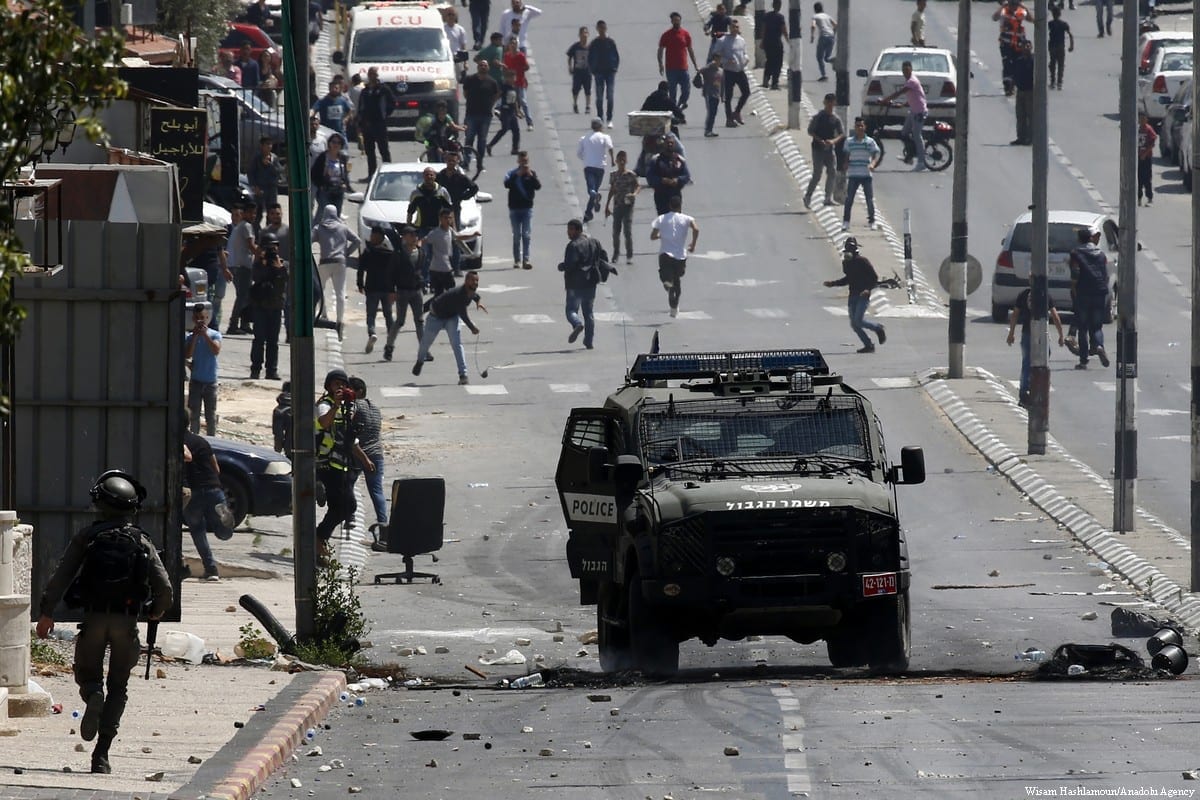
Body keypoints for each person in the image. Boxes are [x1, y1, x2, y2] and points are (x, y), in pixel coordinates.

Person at [35, 469, 172, 775]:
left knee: (88, 675)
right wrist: (156, 611)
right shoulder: (142, 541)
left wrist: (46, 612)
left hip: (94, 619)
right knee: (119, 687)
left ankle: (93, 694)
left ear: (100, 504)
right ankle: (101, 755)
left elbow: (61, 577)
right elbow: (164, 587)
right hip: (126, 623)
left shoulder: (88, 537)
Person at [315, 369, 371, 560]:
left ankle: (319, 541)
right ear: (329, 386)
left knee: (339, 506)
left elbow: (349, 437)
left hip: (342, 464)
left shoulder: (349, 407)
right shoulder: (325, 405)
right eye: (335, 384)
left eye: (342, 384)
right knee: (348, 505)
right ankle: (319, 537)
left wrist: (364, 459)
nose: (339, 387)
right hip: (326, 463)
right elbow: (323, 423)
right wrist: (336, 405)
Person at [412, 270, 487, 385]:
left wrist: (478, 302)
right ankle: (420, 361)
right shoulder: (459, 294)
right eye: (472, 280)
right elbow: (463, 315)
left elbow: (476, 296)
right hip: (436, 316)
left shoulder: (471, 291)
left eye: (477, 280)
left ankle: (463, 375)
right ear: (466, 281)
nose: (475, 283)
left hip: (451, 317)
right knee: (425, 343)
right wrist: (472, 328)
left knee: (457, 344)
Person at [183, 413, 234, 582]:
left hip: (193, 492)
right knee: (224, 534)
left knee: (198, 531)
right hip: (214, 487)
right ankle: (224, 521)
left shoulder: (176, 442)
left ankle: (211, 569)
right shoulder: (202, 442)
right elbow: (216, 469)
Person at [824, 237, 885, 354]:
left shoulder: (863, 261)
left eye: (850, 250)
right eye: (847, 250)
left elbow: (874, 278)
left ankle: (878, 328)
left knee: (859, 321)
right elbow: (848, 279)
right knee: (854, 324)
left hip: (863, 295)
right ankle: (868, 345)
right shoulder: (846, 263)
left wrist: (868, 289)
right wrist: (833, 284)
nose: (848, 253)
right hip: (852, 295)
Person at [1006, 286, 1065, 406]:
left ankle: (1024, 393)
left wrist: (1011, 333)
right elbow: (1055, 316)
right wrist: (1061, 335)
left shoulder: (1023, 294)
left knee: (1026, 362)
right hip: (1042, 333)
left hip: (1027, 332)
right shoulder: (1045, 294)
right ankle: (1036, 386)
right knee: (1045, 358)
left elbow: (1015, 314)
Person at [312, 203, 361, 340]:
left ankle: (323, 314)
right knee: (340, 293)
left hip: (325, 262)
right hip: (340, 262)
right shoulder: (343, 227)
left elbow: (309, 240)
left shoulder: (319, 228)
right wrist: (346, 253)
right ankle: (339, 320)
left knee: (320, 289)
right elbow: (357, 240)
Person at [558, 219, 609, 349]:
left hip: (574, 284)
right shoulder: (594, 242)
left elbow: (570, 265)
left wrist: (562, 266)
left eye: (571, 229)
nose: (568, 232)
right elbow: (603, 258)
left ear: (579, 230)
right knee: (589, 312)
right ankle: (589, 341)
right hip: (590, 282)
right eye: (568, 229)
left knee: (571, 310)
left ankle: (577, 324)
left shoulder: (573, 246)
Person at [384, 225, 430, 363]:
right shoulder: (398, 254)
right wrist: (391, 291)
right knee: (400, 321)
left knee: (419, 321)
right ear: (404, 237)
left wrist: (424, 282)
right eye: (411, 235)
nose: (414, 238)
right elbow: (391, 273)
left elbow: (422, 270)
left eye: (416, 235)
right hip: (402, 291)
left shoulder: (421, 253)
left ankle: (424, 350)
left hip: (416, 291)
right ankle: (389, 346)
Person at [348, 376, 387, 529]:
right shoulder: (375, 408)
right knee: (377, 491)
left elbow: (348, 430)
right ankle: (383, 524)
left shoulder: (355, 406)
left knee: (347, 485)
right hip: (376, 454)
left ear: (359, 391)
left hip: (357, 453)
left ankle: (350, 517)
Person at [1069, 227, 1111, 370]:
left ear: (1079, 239)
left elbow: (1075, 273)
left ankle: (1083, 360)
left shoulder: (1076, 253)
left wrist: (1074, 290)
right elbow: (1105, 275)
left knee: (1083, 327)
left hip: (1084, 292)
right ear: (1091, 238)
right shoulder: (1101, 254)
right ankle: (1099, 346)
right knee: (1097, 326)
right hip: (1100, 292)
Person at [651, 195, 699, 318]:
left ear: (670, 206)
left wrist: (660, 236)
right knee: (677, 280)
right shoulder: (687, 218)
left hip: (665, 254)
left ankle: (668, 284)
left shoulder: (661, 218)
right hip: (680, 256)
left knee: (666, 276)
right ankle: (674, 306)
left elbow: (653, 236)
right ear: (680, 206)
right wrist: (693, 244)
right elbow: (696, 229)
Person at [249, 233, 288, 380]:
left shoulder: (282, 264)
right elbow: (256, 277)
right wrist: (263, 262)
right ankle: (255, 369)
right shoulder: (258, 264)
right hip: (260, 306)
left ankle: (271, 370)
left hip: (275, 307)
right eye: (268, 247)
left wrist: (279, 268)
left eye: (274, 247)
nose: (272, 250)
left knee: (273, 341)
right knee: (259, 339)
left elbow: (284, 281)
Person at [879, 60, 928, 170]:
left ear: (911, 70)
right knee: (904, 133)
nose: (905, 72)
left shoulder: (912, 81)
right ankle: (910, 155)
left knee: (916, 135)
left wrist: (885, 100)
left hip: (919, 112)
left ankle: (922, 162)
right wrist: (903, 104)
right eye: (903, 70)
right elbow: (915, 96)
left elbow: (899, 93)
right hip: (913, 111)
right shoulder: (908, 81)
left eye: (907, 69)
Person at [437, 150, 480, 273]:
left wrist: (462, 197)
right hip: (440, 210)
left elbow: (474, 188)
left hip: (454, 210)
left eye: (453, 161)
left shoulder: (460, 177)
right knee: (440, 238)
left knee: (456, 238)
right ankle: (442, 267)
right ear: (445, 161)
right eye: (449, 160)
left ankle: (456, 267)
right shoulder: (440, 176)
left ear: (457, 162)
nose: (451, 163)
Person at [185, 304, 221, 436]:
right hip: (196, 381)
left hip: (210, 382)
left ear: (207, 318)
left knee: (210, 415)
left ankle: (212, 438)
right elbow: (188, 354)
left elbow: (216, 350)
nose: (200, 320)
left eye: (202, 318)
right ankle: (194, 436)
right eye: (197, 318)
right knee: (194, 414)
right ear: (193, 319)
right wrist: (195, 336)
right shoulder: (190, 336)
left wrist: (205, 335)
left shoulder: (214, 334)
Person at [426, 207, 481, 293]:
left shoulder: (450, 231)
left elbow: (459, 237)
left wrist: (472, 235)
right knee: (448, 292)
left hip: (446, 267)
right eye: (445, 218)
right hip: (438, 269)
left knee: (445, 293)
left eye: (450, 218)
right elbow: (424, 240)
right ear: (440, 219)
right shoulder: (435, 233)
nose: (448, 220)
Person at [804, 93, 844, 208]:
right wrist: (820, 140)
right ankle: (808, 196)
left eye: (832, 103)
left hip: (829, 149)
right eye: (828, 103)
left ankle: (827, 198)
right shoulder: (819, 117)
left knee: (832, 172)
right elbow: (810, 131)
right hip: (818, 149)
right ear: (825, 103)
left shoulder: (835, 119)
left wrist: (833, 141)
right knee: (817, 174)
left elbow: (841, 134)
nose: (830, 106)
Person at [841, 117, 881, 232]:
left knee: (869, 199)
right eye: (857, 126)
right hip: (853, 174)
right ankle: (846, 222)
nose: (860, 128)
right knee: (849, 199)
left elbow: (876, 154)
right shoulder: (849, 142)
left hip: (866, 174)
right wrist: (845, 164)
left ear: (865, 127)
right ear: (855, 127)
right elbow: (846, 156)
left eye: (861, 126)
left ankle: (872, 221)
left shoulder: (870, 142)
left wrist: (873, 164)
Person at [407, 167, 453, 262]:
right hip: (422, 228)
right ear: (423, 176)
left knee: (439, 254)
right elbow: (410, 211)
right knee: (424, 254)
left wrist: (451, 225)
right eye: (427, 175)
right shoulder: (416, 193)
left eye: (431, 175)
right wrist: (408, 227)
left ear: (435, 176)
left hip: (438, 228)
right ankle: (424, 272)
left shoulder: (442, 192)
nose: (429, 177)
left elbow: (450, 210)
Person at [504, 151, 541, 269]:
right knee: (516, 235)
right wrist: (517, 175)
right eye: (522, 161)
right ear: (518, 161)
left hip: (527, 209)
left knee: (526, 234)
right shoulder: (512, 173)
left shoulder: (532, 173)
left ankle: (526, 259)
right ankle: (517, 260)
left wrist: (530, 175)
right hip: (514, 208)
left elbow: (538, 186)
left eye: (526, 161)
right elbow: (507, 184)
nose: (524, 163)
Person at [461, 60, 499, 174]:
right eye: (481, 65)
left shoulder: (492, 82)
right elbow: (465, 93)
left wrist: (490, 104)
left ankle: (480, 164)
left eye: (485, 65)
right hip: (471, 114)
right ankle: (466, 163)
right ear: (477, 67)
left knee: (482, 141)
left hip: (485, 116)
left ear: (488, 68)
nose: (483, 67)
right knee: (469, 139)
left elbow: (496, 95)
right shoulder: (470, 79)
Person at [224, 203, 257, 336]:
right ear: (244, 214)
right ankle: (233, 325)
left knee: (246, 296)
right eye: (250, 213)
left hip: (236, 266)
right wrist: (264, 256)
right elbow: (251, 246)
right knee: (242, 297)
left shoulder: (240, 227)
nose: (253, 216)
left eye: (254, 213)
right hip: (241, 267)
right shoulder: (246, 226)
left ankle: (244, 323)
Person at [357, 67, 394, 180]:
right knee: (370, 151)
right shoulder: (365, 91)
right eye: (370, 74)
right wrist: (360, 122)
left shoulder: (384, 89)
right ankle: (371, 175)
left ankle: (388, 174)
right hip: (367, 125)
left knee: (383, 150)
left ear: (377, 75)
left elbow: (392, 103)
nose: (372, 76)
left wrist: (385, 114)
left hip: (379, 124)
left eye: (374, 74)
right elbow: (361, 107)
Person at [658, 12, 700, 111]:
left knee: (686, 90)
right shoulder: (666, 35)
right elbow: (660, 50)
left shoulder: (685, 34)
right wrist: (660, 64)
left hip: (683, 68)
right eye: (674, 20)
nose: (676, 22)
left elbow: (690, 50)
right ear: (671, 21)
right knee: (672, 93)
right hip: (671, 69)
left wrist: (695, 65)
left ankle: (679, 106)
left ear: (680, 21)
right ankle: (674, 112)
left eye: (678, 20)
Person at [605, 150, 640, 264]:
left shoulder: (631, 175)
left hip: (628, 206)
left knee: (627, 232)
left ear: (626, 161)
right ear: (616, 161)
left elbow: (638, 186)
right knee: (616, 232)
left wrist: (634, 194)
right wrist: (607, 206)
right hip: (617, 206)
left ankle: (629, 255)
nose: (621, 162)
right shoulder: (613, 175)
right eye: (620, 160)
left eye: (623, 160)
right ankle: (616, 254)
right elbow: (612, 190)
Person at [577, 117, 615, 224]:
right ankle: (588, 213)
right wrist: (612, 160)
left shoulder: (584, 138)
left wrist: (586, 159)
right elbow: (610, 148)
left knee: (591, 190)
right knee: (594, 190)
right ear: (600, 126)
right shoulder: (605, 137)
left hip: (588, 167)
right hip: (600, 168)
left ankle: (592, 202)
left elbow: (579, 153)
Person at [993, 0, 1032, 96]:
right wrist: (1002, 6)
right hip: (1006, 43)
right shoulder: (1004, 11)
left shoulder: (1021, 11)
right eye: (1012, 4)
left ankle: (1014, 85)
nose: (1014, 6)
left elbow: (1031, 19)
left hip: (1018, 44)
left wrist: (1025, 7)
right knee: (1007, 64)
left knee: (1017, 64)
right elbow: (994, 17)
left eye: (1016, 4)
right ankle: (1007, 86)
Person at [716, 18, 749, 127]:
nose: (735, 29)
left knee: (746, 92)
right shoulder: (723, 40)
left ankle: (737, 112)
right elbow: (715, 56)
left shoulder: (741, 40)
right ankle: (729, 119)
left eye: (737, 27)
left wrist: (746, 59)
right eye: (733, 27)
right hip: (729, 71)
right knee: (728, 97)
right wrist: (726, 61)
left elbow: (744, 53)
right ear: (729, 28)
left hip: (740, 70)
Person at [646, 138, 692, 215]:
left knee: (676, 217)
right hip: (661, 195)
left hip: (675, 194)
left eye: (671, 143)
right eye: (667, 143)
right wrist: (661, 180)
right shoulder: (656, 160)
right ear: (664, 145)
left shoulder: (679, 159)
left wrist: (678, 180)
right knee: (663, 218)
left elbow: (686, 176)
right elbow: (650, 177)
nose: (670, 145)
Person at [588, 20, 620, 129]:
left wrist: (615, 67)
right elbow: (589, 57)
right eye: (600, 28)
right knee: (599, 97)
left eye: (603, 28)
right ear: (597, 29)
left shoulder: (610, 42)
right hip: (598, 72)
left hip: (610, 72)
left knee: (610, 96)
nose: (602, 30)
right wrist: (592, 69)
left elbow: (616, 56)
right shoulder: (594, 43)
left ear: (606, 28)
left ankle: (609, 119)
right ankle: (600, 118)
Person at [310, 132, 351, 215]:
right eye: (334, 142)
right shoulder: (323, 157)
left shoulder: (342, 158)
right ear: (329, 143)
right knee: (323, 214)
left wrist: (345, 184)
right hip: (325, 190)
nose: (336, 145)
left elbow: (345, 173)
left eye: (338, 143)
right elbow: (314, 173)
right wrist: (320, 185)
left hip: (339, 190)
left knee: (336, 215)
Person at [487, 67, 523, 155]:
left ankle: (515, 149)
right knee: (504, 129)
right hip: (505, 111)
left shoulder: (513, 88)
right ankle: (490, 145)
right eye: (511, 77)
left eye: (514, 77)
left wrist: (518, 111)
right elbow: (497, 96)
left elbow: (514, 101)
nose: (513, 79)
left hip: (512, 112)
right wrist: (490, 106)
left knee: (516, 130)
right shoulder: (504, 87)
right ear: (507, 78)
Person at [247, 136, 282, 218]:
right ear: (262, 146)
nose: (269, 146)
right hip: (260, 188)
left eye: (270, 144)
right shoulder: (256, 158)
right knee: (258, 212)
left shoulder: (274, 158)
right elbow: (251, 172)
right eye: (267, 144)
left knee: (271, 210)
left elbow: (279, 171)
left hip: (272, 188)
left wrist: (271, 165)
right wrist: (254, 186)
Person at [502, 37, 532, 131]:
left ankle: (529, 122)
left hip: (520, 82)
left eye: (514, 43)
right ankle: (510, 123)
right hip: (511, 84)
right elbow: (505, 68)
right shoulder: (507, 56)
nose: (513, 45)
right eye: (511, 43)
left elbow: (527, 67)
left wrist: (519, 70)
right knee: (510, 103)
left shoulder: (520, 56)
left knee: (523, 101)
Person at [1010, 40, 1034, 146]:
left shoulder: (1034, 60)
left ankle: (1030, 137)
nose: (1026, 48)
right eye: (1024, 46)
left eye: (1028, 46)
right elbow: (1015, 74)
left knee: (1030, 116)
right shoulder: (1019, 60)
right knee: (1020, 115)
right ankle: (1021, 137)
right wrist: (1012, 86)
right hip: (1020, 91)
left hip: (1030, 91)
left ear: (1031, 47)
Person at [761, 0, 788, 90]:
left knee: (769, 61)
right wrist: (788, 41)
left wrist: (762, 41)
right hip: (776, 43)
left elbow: (763, 29)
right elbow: (784, 30)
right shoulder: (780, 17)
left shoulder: (767, 16)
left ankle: (766, 80)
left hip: (767, 43)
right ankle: (774, 83)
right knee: (778, 63)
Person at [697, 52, 724, 137]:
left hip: (717, 94)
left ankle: (710, 129)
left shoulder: (721, 71)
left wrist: (722, 96)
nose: (717, 61)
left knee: (714, 113)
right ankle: (707, 130)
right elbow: (700, 71)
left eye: (719, 59)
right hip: (709, 94)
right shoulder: (708, 69)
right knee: (711, 112)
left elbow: (722, 84)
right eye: (716, 59)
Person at [1048, 4, 1074, 90]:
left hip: (1052, 46)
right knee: (1061, 64)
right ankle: (1059, 82)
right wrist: (1071, 45)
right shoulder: (1063, 24)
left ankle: (1053, 81)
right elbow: (1070, 34)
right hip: (1060, 46)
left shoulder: (1050, 24)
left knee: (1052, 64)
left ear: (1052, 14)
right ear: (1060, 14)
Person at [567, 26, 592, 114]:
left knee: (588, 89)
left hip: (587, 71)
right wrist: (570, 67)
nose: (584, 35)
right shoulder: (575, 46)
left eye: (586, 33)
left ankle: (588, 106)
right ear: (579, 35)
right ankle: (575, 104)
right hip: (577, 72)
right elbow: (569, 56)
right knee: (575, 89)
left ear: (588, 34)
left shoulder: (590, 47)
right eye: (582, 33)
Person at [810, 2, 836, 81]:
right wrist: (833, 33)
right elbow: (836, 24)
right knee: (826, 58)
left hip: (823, 37)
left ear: (815, 9)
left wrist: (812, 36)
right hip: (831, 37)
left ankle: (824, 75)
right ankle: (834, 60)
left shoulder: (815, 16)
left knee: (819, 57)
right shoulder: (827, 15)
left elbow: (813, 26)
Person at [443, 6, 470, 78]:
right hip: (445, 58)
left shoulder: (460, 29)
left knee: (458, 78)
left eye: (453, 14)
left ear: (456, 16)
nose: (451, 16)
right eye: (449, 14)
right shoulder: (442, 29)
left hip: (457, 58)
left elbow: (463, 46)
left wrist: (465, 63)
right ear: (446, 16)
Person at [1137, 111, 1157, 206]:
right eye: (1140, 118)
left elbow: (1152, 142)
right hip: (1138, 158)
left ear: (1146, 119)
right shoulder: (1137, 129)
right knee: (1138, 179)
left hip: (1146, 158)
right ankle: (1138, 198)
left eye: (1143, 118)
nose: (1141, 120)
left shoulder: (1148, 129)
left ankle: (1149, 198)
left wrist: (1145, 154)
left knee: (1147, 178)